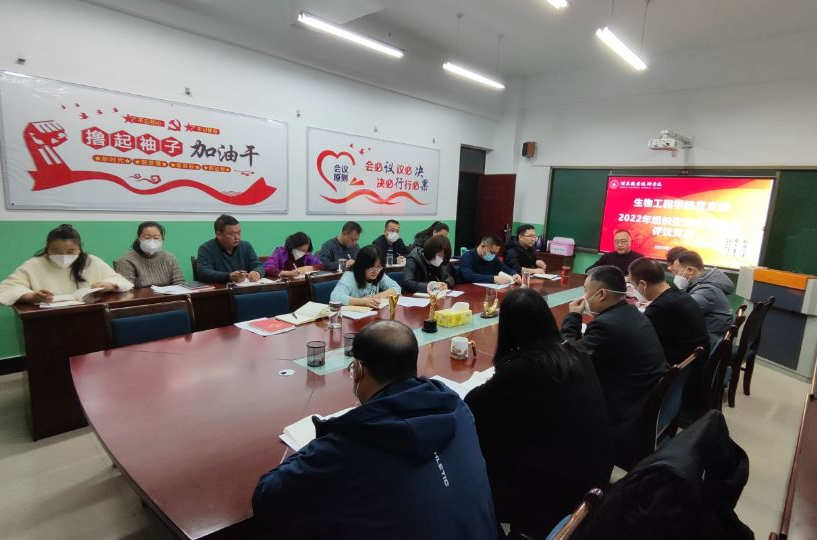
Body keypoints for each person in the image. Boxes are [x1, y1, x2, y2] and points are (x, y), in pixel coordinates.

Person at [252, 320, 499, 540]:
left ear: (358, 370)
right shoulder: (457, 408)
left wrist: (328, 439)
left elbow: (267, 499)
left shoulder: (351, 444)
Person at [465, 288, 614, 537]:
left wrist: (500, 378)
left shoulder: (523, 369)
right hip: (597, 472)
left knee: (480, 438)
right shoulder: (575, 350)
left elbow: (472, 405)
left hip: (557, 493)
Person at [561, 265, 667, 469]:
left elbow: (568, 358)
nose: (583, 296)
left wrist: (573, 317)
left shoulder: (607, 325)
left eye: (586, 290)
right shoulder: (630, 312)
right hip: (641, 397)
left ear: (602, 294)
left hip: (624, 412)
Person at [0, 224, 133, 305]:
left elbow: (121, 281)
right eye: (56, 251)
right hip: (48, 318)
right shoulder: (34, 264)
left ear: (79, 249)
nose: (64, 256)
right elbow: (7, 289)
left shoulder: (91, 261)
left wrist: (110, 285)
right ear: (47, 248)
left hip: (89, 313)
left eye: (70, 252)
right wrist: (32, 296)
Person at [628, 257, 709, 366]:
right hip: (694, 362)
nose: (634, 291)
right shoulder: (679, 294)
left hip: (679, 368)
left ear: (643, 285)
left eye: (633, 286)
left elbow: (636, 340)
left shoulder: (660, 308)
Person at [670, 250, 736, 347]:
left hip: (710, 342)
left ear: (690, 270)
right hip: (712, 334)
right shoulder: (704, 282)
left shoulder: (707, 291)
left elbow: (681, 313)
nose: (675, 276)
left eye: (676, 272)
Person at [196, 214, 264, 284]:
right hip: (220, 289)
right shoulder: (206, 248)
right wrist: (228, 276)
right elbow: (203, 272)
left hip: (244, 288)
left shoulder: (246, 246)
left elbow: (258, 265)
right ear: (219, 234)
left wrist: (257, 272)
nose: (237, 237)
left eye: (239, 233)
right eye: (232, 234)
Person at [114, 221, 185, 288]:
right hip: (140, 297)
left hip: (167, 296)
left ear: (162, 239)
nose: (152, 241)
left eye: (156, 238)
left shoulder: (169, 257)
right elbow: (126, 289)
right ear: (139, 239)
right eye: (147, 238)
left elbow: (180, 283)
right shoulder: (127, 260)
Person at [329, 246, 401, 307]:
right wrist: (363, 301)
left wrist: (379, 296)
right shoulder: (350, 276)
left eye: (378, 267)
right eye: (371, 267)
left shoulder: (379, 273)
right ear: (362, 266)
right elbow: (335, 297)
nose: (375, 271)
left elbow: (396, 287)